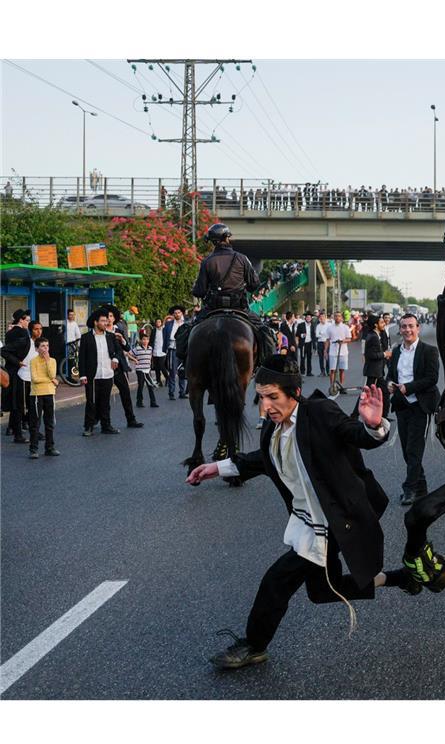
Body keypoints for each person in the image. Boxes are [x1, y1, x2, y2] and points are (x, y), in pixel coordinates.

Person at [187, 356, 410, 670]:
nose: (264, 407)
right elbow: (262, 459)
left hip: (333, 519)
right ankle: (399, 577)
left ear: (294, 393)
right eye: (260, 398)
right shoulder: (274, 427)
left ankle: (254, 645)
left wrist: (374, 425)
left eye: (272, 397)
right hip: (308, 521)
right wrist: (216, 468)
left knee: (277, 581)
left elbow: (353, 434)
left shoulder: (319, 413)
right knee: (321, 591)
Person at [187, 223, 276, 364]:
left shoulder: (207, 262)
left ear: (212, 242)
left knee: (186, 331)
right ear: (227, 238)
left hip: (213, 308)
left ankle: (184, 365)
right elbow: (254, 285)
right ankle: (265, 365)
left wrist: (195, 288)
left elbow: (200, 291)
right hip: (239, 307)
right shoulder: (242, 258)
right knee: (265, 332)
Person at [386, 313, 440, 506]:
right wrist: (390, 384)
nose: (407, 330)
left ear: (418, 328)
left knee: (414, 450)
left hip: (421, 405)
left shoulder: (429, 351)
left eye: (411, 326)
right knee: (406, 451)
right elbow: (390, 375)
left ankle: (409, 490)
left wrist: (408, 387)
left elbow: (432, 378)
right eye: (403, 327)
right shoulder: (397, 352)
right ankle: (422, 488)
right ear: (399, 330)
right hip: (402, 406)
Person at [79, 310, 119, 435]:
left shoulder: (110, 336)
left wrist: (115, 359)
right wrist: (82, 375)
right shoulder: (86, 337)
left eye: (106, 320)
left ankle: (106, 425)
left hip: (107, 373)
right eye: (102, 321)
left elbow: (117, 351)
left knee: (105, 401)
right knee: (91, 401)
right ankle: (89, 426)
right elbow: (81, 358)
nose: (106, 323)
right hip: (92, 375)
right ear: (96, 322)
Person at [27, 336, 60, 458]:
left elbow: (52, 374)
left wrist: (47, 362)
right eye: (42, 346)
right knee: (35, 423)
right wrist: (51, 380)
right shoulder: (33, 361)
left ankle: (50, 447)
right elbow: (35, 379)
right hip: (36, 394)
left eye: (47, 346)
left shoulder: (52, 361)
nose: (45, 348)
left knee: (49, 422)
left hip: (49, 393)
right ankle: (33, 449)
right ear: (37, 349)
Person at [3, 310, 33, 443]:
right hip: (17, 372)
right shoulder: (21, 333)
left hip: (13, 371)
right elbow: (4, 350)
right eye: (27, 320)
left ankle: (14, 429)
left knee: (16, 403)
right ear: (21, 320)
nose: (28, 323)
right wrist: (18, 362)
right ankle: (18, 434)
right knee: (19, 404)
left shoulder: (10, 332)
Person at [324, 311, 352, 397]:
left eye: (339, 316)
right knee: (332, 370)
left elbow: (349, 339)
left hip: (343, 352)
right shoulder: (330, 328)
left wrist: (343, 341)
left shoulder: (345, 327)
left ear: (342, 318)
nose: (337, 318)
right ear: (333, 317)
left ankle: (341, 386)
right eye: (335, 316)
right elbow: (327, 340)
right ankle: (333, 387)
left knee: (341, 370)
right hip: (333, 351)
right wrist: (325, 351)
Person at [163, 306, 187, 399]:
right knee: (172, 371)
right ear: (173, 314)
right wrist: (164, 349)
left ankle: (182, 392)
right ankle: (171, 393)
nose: (177, 314)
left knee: (182, 371)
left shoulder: (186, 324)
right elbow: (165, 336)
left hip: (183, 350)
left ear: (182, 314)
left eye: (179, 313)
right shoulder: (169, 324)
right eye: (175, 313)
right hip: (172, 350)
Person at [131, 331, 158, 408]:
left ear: (148, 340)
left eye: (146, 339)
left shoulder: (150, 348)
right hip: (140, 370)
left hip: (147, 370)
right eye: (143, 339)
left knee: (150, 386)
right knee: (141, 385)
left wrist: (150, 364)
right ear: (141, 340)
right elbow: (128, 354)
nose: (145, 341)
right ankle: (139, 402)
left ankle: (153, 402)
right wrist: (135, 359)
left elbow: (150, 357)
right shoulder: (137, 349)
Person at [314, 312, 330, 377]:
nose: (322, 318)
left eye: (323, 317)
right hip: (320, 342)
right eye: (320, 317)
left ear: (325, 317)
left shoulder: (329, 325)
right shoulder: (318, 326)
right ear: (319, 318)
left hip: (327, 342)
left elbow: (329, 334)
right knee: (321, 358)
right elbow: (317, 335)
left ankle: (328, 371)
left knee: (327, 357)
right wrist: (324, 334)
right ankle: (322, 372)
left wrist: (322, 333)